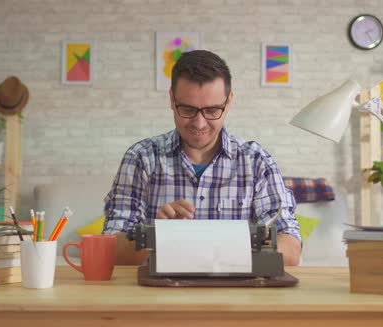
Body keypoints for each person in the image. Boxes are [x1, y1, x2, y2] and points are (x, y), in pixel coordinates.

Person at [103, 50, 301, 266]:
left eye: (212, 110)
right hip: (160, 296)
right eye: (187, 109)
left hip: (238, 296)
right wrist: (157, 236)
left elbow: (291, 250)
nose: (199, 124)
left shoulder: (256, 162)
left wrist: (223, 246)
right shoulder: (140, 159)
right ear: (171, 99)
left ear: (229, 101)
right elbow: (110, 250)